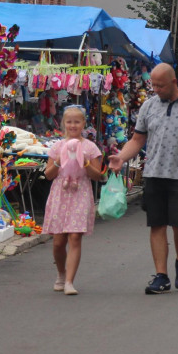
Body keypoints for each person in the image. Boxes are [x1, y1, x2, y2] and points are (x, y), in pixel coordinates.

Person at [109, 63, 178, 294]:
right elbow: (137, 140)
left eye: (160, 85)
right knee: (157, 224)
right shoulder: (148, 106)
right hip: (153, 173)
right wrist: (121, 158)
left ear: (174, 82)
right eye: (153, 85)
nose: (155, 89)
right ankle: (161, 276)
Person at [42, 105, 104, 296]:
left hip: (81, 192)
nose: (73, 125)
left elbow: (98, 176)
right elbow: (48, 174)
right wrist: (59, 161)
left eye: (77, 122)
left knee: (75, 236)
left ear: (84, 124)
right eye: (69, 122)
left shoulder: (90, 147)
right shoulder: (58, 146)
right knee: (58, 242)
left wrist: (85, 163)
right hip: (60, 193)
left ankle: (69, 281)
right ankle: (61, 274)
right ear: (64, 124)